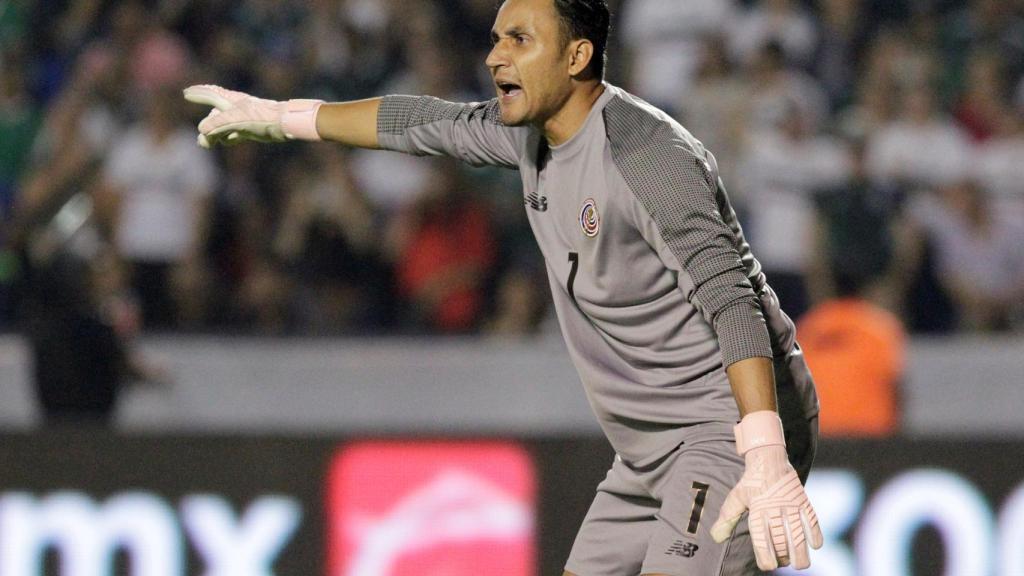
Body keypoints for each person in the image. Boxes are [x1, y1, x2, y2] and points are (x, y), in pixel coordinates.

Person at [183, 0, 822, 573]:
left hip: (729, 431)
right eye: (495, 38)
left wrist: (764, 450)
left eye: (519, 39)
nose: (495, 56)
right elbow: (418, 121)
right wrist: (279, 117)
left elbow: (731, 298)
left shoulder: (646, 155)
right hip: (649, 450)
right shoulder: (527, 135)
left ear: (577, 56)